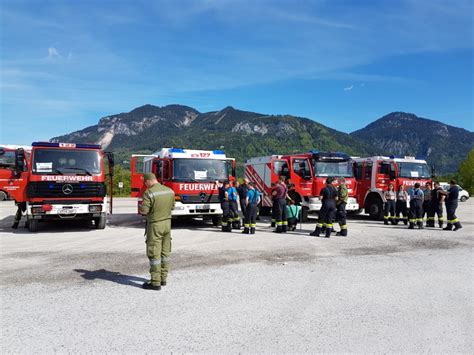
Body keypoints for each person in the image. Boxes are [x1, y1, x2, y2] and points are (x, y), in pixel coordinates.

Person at [140, 173, 175, 291]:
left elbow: (144, 211)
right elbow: (172, 207)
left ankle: (155, 282)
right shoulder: (170, 191)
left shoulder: (149, 193)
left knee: (154, 253)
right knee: (165, 252)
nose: (145, 185)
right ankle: (163, 278)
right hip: (167, 224)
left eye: (145, 183)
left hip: (155, 225)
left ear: (149, 181)